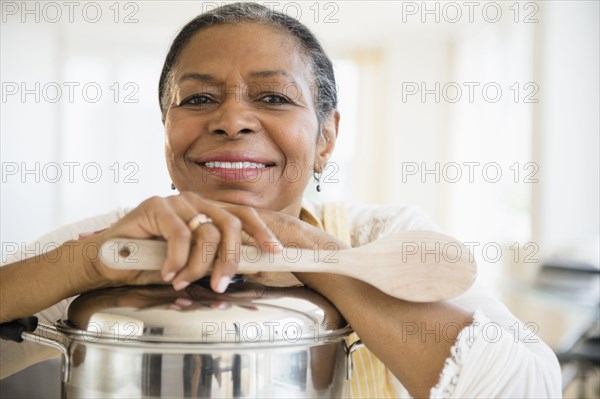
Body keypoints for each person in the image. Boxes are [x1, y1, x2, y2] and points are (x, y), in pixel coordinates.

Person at [0, 3, 561, 397]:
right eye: (198, 98)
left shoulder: (381, 237)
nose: (232, 120)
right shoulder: (113, 242)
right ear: (167, 129)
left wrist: (304, 252)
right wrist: (84, 263)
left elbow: (527, 387)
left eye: (272, 96)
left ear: (326, 137)